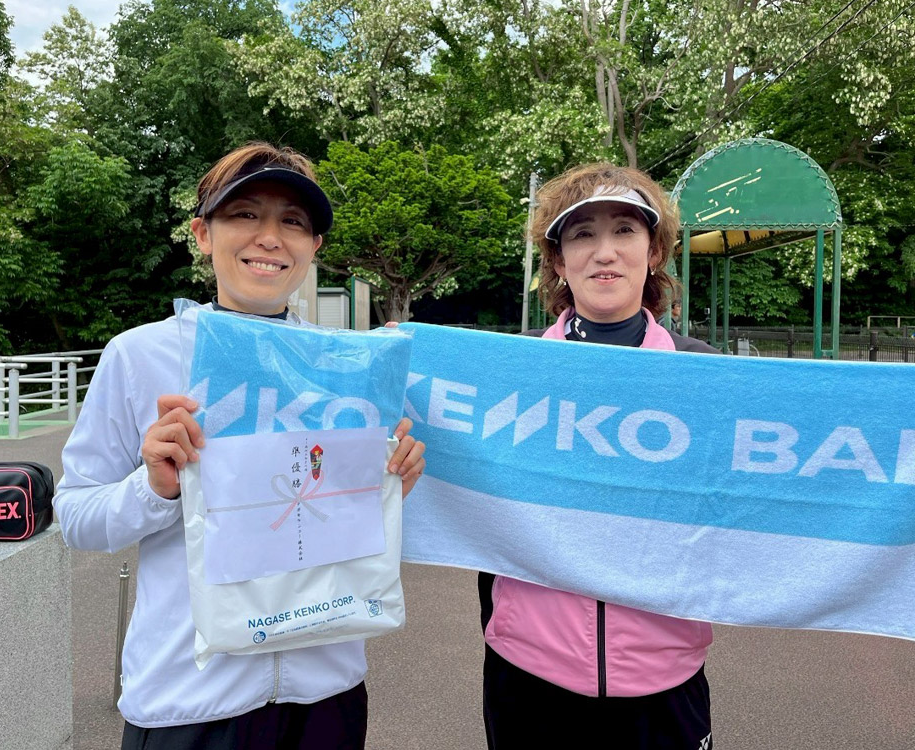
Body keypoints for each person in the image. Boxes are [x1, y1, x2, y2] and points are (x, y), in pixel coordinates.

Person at [54, 142, 426, 750]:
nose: (270, 237)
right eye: (245, 214)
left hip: (327, 691)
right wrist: (155, 488)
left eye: (293, 222)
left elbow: (344, 518)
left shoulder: (352, 364)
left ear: (314, 246)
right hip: (188, 697)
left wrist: (388, 485)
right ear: (203, 234)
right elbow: (76, 518)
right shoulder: (140, 354)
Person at [478, 163, 718, 749]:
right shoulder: (503, 371)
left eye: (624, 231)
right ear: (558, 262)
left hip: (664, 676)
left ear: (654, 252)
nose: (604, 251)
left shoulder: (709, 374)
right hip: (529, 675)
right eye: (582, 234)